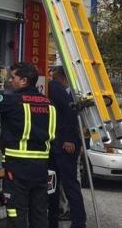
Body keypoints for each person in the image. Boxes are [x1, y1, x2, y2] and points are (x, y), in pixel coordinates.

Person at [0, 61, 56, 228]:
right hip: (40, 169)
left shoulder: (12, 101)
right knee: (39, 213)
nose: (10, 81)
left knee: (16, 213)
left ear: (24, 81)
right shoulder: (49, 104)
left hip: (17, 170)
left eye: (13, 77)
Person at [47, 66, 86, 228]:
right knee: (61, 184)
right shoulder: (58, 88)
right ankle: (68, 221)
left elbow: (70, 112)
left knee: (63, 185)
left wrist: (69, 139)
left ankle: (75, 222)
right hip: (60, 143)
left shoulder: (56, 88)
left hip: (63, 144)